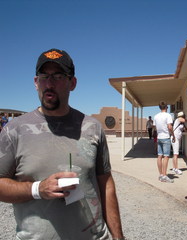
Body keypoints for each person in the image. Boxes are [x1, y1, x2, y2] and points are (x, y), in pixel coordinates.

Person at [0, 48, 125, 240]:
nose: (49, 83)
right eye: (44, 76)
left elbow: (106, 184)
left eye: (58, 76)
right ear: (36, 82)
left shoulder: (92, 128)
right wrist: (38, 189)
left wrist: (118, 237)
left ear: (72, 83)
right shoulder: (14, 130)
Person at [153, 101, 175, 183]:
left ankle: (161, 174)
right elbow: (169, 126)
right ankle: (165, 176)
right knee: (166, 156)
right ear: (166, 107)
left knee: (159, 156)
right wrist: (173, 135)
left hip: (159, 137)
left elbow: (155, 127)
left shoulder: (156, 116)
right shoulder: (168, 115)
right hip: (166, 137)